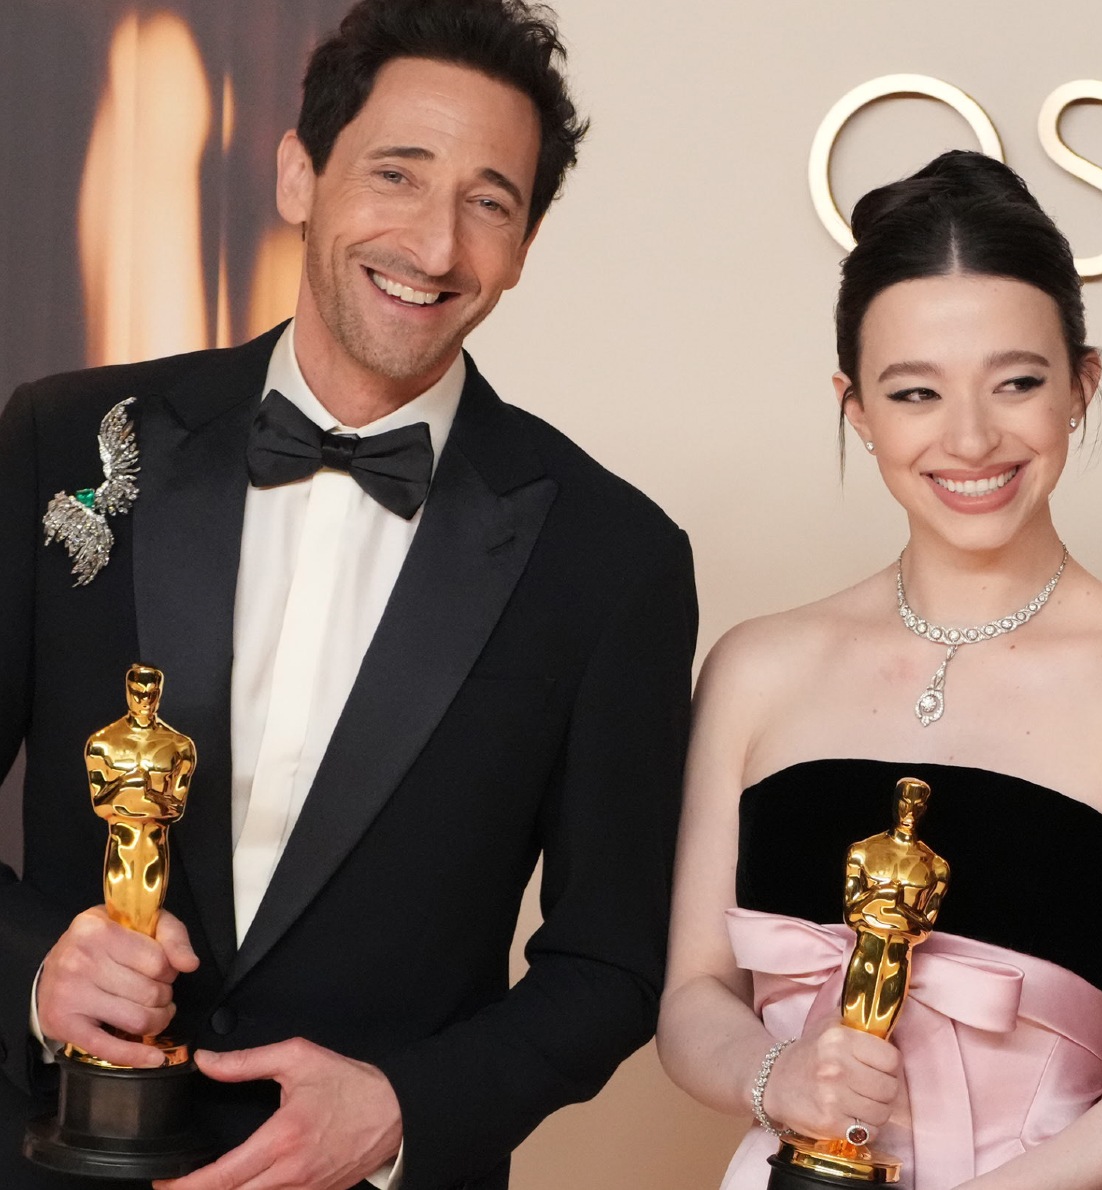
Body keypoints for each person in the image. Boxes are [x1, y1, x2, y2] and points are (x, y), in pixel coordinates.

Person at [0, 1, 697, 1187]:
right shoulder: (67, 437)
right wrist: (30, 972)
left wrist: (401, 1107)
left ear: (524, 243)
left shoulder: (614, 554)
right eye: (397, 175)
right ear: (297, 173)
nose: (435, 246)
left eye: (490, 201)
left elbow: (610, 964)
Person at [657, 150, 1102, 1190]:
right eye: (915, 391)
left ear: (1081, 384)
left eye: (1016, 382)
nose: (970, 436)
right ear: (857, 409)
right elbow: (694, 994)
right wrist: (778, 1072)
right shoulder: (754, 668)